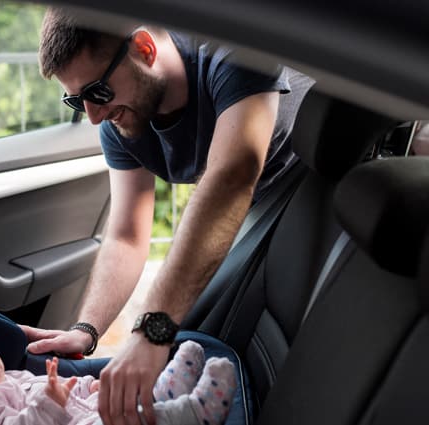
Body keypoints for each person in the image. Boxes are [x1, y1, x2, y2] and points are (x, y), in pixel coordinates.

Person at [22, 8, 314, 425]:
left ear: (144, 48)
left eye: (98, 92)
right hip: (251, 215)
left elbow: (231, 176)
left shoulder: (232, 48)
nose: (94, 115)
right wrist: (86, 330)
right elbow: (126, 235)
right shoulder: (119, 121)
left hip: (301, 185)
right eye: (76, 100)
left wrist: (152, 331)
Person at [0, 300, 236, 425]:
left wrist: (85, 388)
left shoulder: (5, 379)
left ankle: (163, 393)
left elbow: (53, 388)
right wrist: (49, 403)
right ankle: (192, 414)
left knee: (111, 402)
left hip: (78, 411)